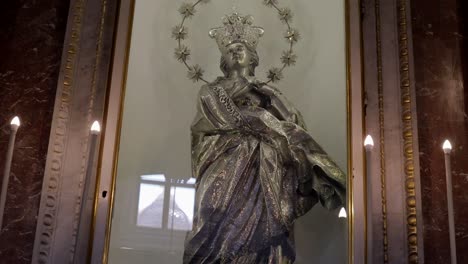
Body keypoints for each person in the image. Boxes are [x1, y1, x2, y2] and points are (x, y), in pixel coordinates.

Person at [183, 13, 346, 264]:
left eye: (242, 48)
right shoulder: (210, 91)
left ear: (254, 57)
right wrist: (259, 113)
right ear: (223, 61)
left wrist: (271, 97)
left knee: (267, 227)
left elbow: (293, 124)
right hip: (223, 161)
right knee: (213, 209)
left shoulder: (269, 93)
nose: (236, 52)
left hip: (265, 169)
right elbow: (225, 119)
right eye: (230, 50)